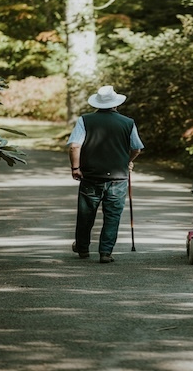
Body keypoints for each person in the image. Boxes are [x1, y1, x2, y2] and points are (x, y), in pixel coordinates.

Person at [67, 85, 144, 263]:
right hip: (118, 178)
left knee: (86, 214)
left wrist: (75, 168)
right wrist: (126, 161)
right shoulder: (128, 122)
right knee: (113, 215)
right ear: (116, 103)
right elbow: (137, 148)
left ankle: (83, 248)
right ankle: (105, 252)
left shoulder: (85, 120)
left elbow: (74, 146)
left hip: (91, 176)